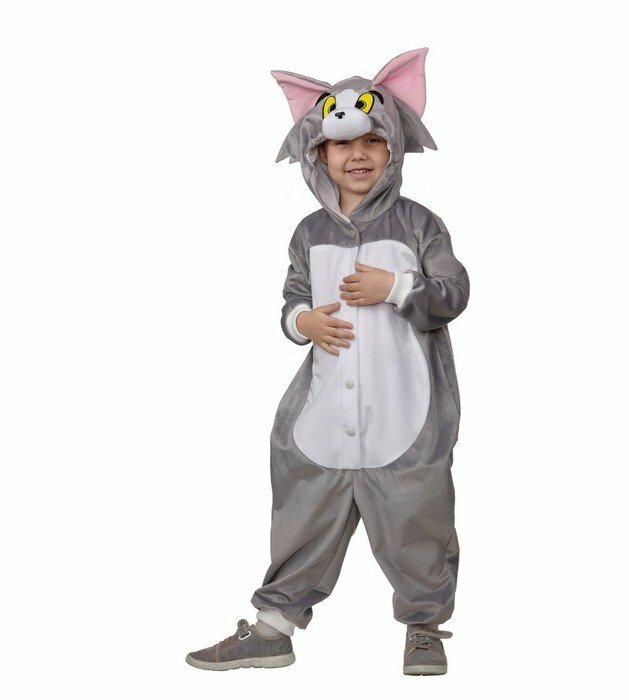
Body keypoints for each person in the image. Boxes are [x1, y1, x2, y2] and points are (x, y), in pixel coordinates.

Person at [186, 47, 470, 676]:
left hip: (404, 412)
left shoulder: (419, 225)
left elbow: (454, 293)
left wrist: (395, 288)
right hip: (323, 412)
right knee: (303, 515)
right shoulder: (308, 233)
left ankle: (424, 626)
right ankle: (273, 629)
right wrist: (302, 322)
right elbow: (292, 297)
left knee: (417, 519)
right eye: (342, 144)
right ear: (318, 153)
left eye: (373, 140)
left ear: (394, 146)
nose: (358, 154)